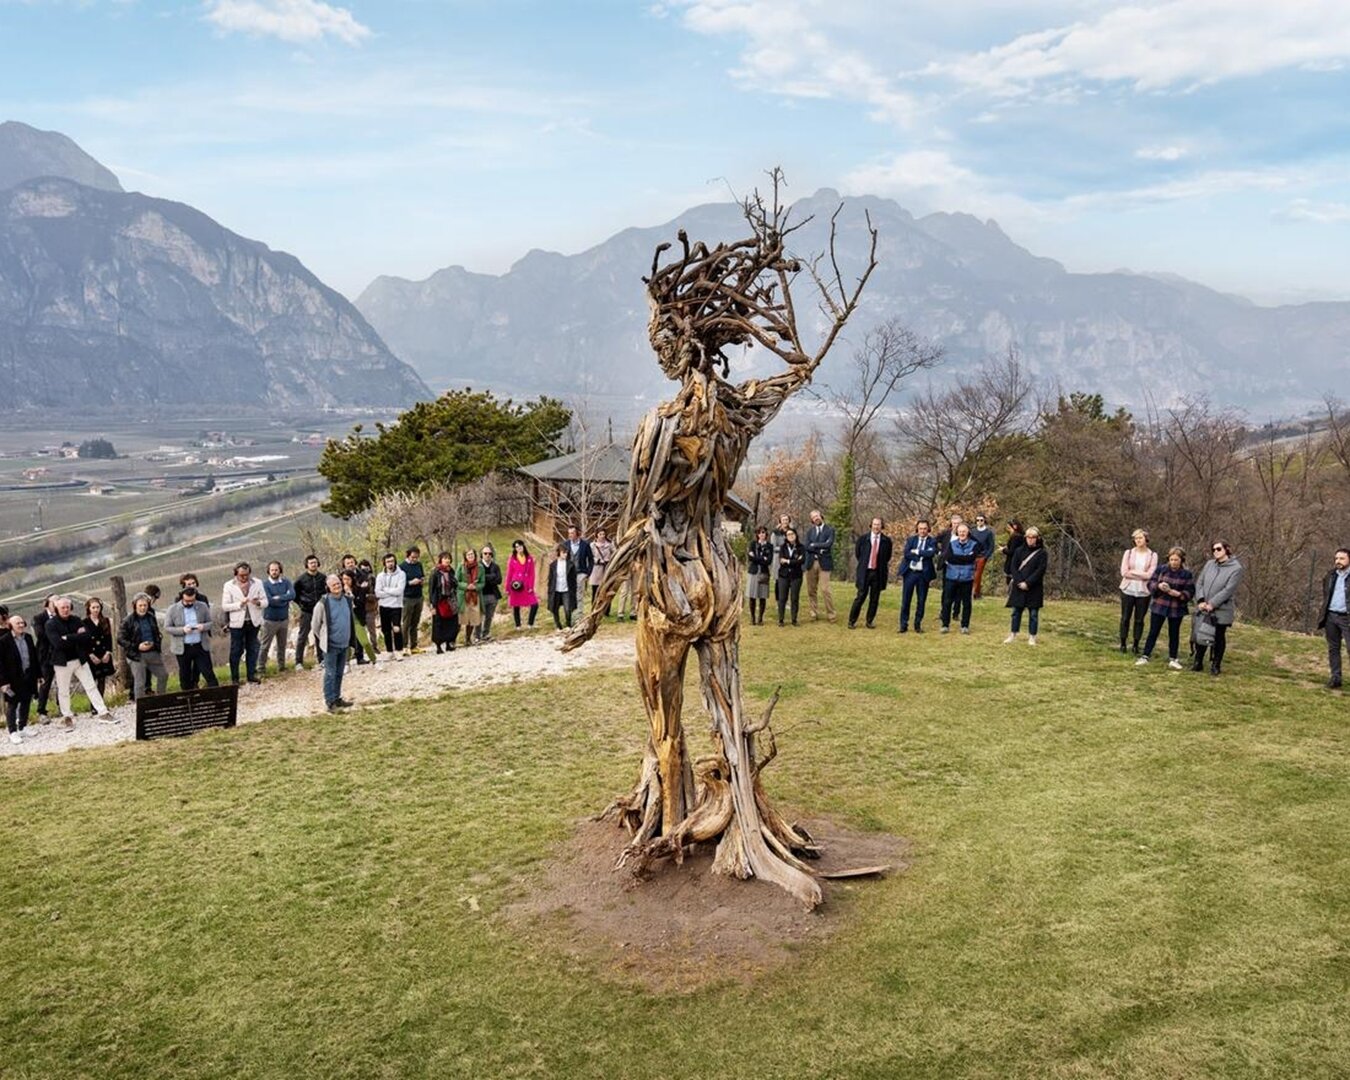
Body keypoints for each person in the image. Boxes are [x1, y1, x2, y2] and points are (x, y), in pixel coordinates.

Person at [45, 596, 113, 725]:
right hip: (62, 662)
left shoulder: (76, 620)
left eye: (67, 607)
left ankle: (103, 712)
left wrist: (68, 637)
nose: (65, 610)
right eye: (62, 608)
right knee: (64, 691)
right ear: (57, 609)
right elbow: (57, 643)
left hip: (79, 659)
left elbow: (87, 636)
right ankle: (67, 717)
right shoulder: (50, 624)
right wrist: (77, 637)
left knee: (91, 686)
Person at [1192, 539, 1246, 676]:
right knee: (1201, 633)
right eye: (1213, 549)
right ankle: (1198, 661)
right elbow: (1200, 583)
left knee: (1218, 636)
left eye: (1218, 549)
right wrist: (1201, 600)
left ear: (1226, 549)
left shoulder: (1236, 568)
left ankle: (1216, 664)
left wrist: (1213, 604)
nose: (1215, 552)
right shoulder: (1209, 564)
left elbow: (1228, 590)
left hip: (1222, 610)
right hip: (1204, 607)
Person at [1136, 546, 1195, 669]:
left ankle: (1173, 658)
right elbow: (1150, 583)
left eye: (1176, 560)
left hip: (1176, 607)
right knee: (1153, 631)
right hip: (1160, 604)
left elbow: (1190, 591)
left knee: (1174, 633)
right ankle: (1145, 655)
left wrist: (1179, 594)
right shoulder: (1161, 569)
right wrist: (1158, 586)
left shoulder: (1186, 574)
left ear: (1181, 560)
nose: (1173, 562)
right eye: (1171, 559)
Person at [310, 574, 355, 713]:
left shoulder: (347, 600)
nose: (337, 586)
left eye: (338, 583)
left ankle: (337, 698)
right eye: (333, 585)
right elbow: (315, 625)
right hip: (330, 646)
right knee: (330, 674)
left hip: (344, 643)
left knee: (339, 673)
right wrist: (324, 639)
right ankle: (330, 702)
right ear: (328, 587)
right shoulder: (322, 603)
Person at [165, 587, 219, 690]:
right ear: (182, 598)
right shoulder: (172, 609)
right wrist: (182, 630)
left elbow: (210, 623)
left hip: (200, 646)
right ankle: (187, 695)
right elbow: (167, 628)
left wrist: (203, 627)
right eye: (187, 601)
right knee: (185, 674)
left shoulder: (202, 606)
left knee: (208, 672)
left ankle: (216, 693)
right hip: (183, 648)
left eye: (192, 600)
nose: (190, 603)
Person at [221, 561, 265, 685]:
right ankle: (235, 678)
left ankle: (251, 675)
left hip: (253, 621)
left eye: (247, 575)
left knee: (252, 649)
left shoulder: (257, 583)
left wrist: (258, 603)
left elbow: (265, 601)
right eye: (241, 575)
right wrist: (240, 604)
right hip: (237, 623)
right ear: (236, 574)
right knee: (236, 651)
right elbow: (225, 606)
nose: (244, 577)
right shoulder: (229, 585)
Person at [118, 592, 168, 698]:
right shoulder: (127, 620)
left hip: (153, 652)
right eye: (140, 605)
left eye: (145, 605)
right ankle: (140, 704)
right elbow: (120, 639)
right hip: (136, 655)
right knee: (140, 682)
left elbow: (156, 633)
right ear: (135, 605)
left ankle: (162, 698)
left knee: (163, 675)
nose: (143, 608)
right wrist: (137, 646)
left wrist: (156, 643)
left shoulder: (151, 617)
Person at [1004, 527, 1048, 644]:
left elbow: (1040, 570)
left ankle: (1032, 637)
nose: (1030, 539)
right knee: (1015, 612)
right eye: (1028, 537)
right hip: (1019, 586)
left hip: (1034, 587)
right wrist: (1019, 582)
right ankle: (1013, 634)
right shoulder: (1019, 551)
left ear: (1038, 538)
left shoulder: (1042, 553)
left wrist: (1028, 583)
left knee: (1033, 614)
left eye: (1033, 537)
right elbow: (1013, 567)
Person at [2, 614, 40, 743]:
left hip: (28, 675)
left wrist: (39, 675)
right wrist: (3, 682)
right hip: (12, 678)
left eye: (22, 623)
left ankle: (22, 727)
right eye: (17, 623)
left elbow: (34, 657)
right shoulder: (4, 641)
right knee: (12, 704)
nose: (21, 625)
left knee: (26, 701)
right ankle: (12, 732)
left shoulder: (28, 637)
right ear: (10, 625)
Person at [849, 517, 893, 629]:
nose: (876, 527)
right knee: (860, 597)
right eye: (874, 524)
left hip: (878, 573)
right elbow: (858, 554)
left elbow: (887, 557)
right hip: (865, 572)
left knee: (874, 599)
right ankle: (852, 621)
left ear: (881, 526)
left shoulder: (886, 541)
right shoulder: (863, 539)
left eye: (878, 524)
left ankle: (869, 621)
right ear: (871, 525)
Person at [1118, 529, 1157, 654]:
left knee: (1139, 619)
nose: (1138, 540)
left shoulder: (1152, 555)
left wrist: (1133, 573)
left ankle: (1136, 644)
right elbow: (1124, 572)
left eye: (1140, 538)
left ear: (1146, 539)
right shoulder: (1128, 553)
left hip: (1143, 592)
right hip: (1128, 589)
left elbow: (1150, 575)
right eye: (1136, 538)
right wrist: (1141, 574)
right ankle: (1123, 643)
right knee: (1125, 618)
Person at [1316, 547, 1350, 689]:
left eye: (1342, 558)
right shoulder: (1330, 575)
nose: (1338, 561)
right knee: (1333, 648)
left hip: (1346, 618)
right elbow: (1326, 594)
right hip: (1331, 615)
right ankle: (1335, 678)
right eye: (1336, 558)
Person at [898, 519, 938, 633]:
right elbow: (906, 553)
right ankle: (903, 625)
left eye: (925, 529)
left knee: (921, 601)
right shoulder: (911, 540)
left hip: (923, 574)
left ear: (928, 529)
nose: (922, 531)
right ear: (917, 529)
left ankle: (917, 624)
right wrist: (920, 555)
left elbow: (931, 553)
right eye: (920, 528)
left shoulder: (932, 541)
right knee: (906, 600)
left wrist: (917, 551)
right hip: (910, 573)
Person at [940, 522, 978, 634]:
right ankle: (945, 625)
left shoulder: (974, 544)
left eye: (964, 531)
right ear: (957, 532)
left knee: (966, 603)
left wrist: (959, 558)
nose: (962, 533)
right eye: (960, 531)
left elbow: (971, 558)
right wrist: (965, 558)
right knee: (947, 601)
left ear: (968, 532)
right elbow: (949, 558)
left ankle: (965, 625)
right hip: (951, 576)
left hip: (967, 578)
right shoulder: (951, 544)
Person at [259, 560, 295, 674]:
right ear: (268, 571)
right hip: (270, 620)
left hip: (284, 619)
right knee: (265, 646)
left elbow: (292, 595)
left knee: (282, 645)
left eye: (276, 570)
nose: (274, 572)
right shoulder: (264, 585)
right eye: (272, 570)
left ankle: (281, 666)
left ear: (280, 570)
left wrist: (278, 598)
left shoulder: (286, 582)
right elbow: (269, 601)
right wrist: (284, 598)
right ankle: (261, 668)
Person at [293, 555, 326, 670]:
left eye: (315, 562)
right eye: (311, 563)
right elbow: (294, 594)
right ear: (307, 565)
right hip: (306, 611)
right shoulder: (301, 579)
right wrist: (301, 604)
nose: (313, 565)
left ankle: (322, 659)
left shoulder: (323, 578)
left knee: (319, 635)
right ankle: (298, 662)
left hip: (320, 611)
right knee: (303, 636)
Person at [81, 597, 116, 705]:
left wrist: (108, 653)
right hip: (91, 654)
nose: (96, 610)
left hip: (103, 653)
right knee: (92, 681)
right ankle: (93, 705)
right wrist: (90, 654)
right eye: (93, 607)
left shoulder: (105, 621)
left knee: (102, 680)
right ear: (89, 609)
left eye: (98, 607)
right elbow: (84, 640)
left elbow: (108, 638)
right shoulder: (84, 622)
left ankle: (100, 704)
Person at [803, 509, 836, 622]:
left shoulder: (830, 530)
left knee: (825, 589)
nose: (816, 518)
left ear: (821, 516)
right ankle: (813, 612)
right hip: (811, 563)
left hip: (825, 564)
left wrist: (814, 545)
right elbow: (807, 546)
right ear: (812, 520)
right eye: (813, 517)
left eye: (817, 516)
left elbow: (828, 544)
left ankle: (831, 614)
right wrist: (820, 548)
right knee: (811, 590)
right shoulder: (810, 532)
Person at [374, 553, 407, 658]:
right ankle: (389, 651)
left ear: (395, 562)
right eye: (388, 562)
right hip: (383, 606)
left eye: (392, 561)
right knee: (386, 630)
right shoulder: (380, 576)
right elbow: (377, 593)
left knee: (396, 628)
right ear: (384, 563)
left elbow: (399, 591)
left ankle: (399, 650)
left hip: (396, 605)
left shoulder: (401, 574)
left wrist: (385, 590)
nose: (390, 564)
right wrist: (391, 592)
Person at [339, 570, 375, 666]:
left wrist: (351, 594)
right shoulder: (339, 592)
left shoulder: (360, 590)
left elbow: (361, 604)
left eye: (348, 579)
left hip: (357, 616)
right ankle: (346, 661)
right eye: (344, 579)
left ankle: (365, 657)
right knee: (346, 639)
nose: (346, 581)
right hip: (344, 617)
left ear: (353, 579)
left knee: (363, 640)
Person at [428, 551, 460, 653]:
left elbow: (455, 584)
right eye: (445, 558)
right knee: (439, 623)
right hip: (439, 600)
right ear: (441, 560)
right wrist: (432, 604)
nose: (447, 560)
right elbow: (431, 589)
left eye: (449, 558)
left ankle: (449, 643)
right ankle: (438, 645)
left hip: (450, 600)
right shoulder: (435, 572)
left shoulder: (451, 571)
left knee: (452, 622)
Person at [33, 594, 58, 722]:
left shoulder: (61, 616)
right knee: (45, 684)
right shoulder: (39, 618)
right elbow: (40, 635)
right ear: (47, 603)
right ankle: (41, 711)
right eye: (55, 601)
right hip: (46, 656)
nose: (57, 603)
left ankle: (63, 708)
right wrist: (57, 636)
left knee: (62, 683)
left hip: (60, 654)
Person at [506, 539, 539, 629]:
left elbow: (532, 574)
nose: (519, 548)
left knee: (534, 604)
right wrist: (507, 588)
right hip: (516, 584)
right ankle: (518, 625)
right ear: (515, 549)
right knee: (516, 605)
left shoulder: (529, 558)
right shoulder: (512, 559)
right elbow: (509, 574)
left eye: (520, 546)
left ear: (523, 546)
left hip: (526, 584)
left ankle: (530, 624)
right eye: (516, 547)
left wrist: (531, 586)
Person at [775, 526, 805, 626]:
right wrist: (794, 561)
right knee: (782, 598)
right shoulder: (783, 547)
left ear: (796, 535)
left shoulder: (801, 547)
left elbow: (801, 561)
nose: (790, 536)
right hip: (783, 575)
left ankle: (794, 620)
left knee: (794, 598)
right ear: (786, 537)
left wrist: (788, 561)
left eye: (792, 534)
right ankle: (781, 620)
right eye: (788, 535)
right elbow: (781, 560)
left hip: (796, 576)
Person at [399, 546, 427, 654]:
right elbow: (399, 583)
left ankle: (414, 645)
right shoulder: (402, 567)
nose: (415, 559)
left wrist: (422, 580)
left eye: (416, 557)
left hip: (418, 596)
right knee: (406, 623)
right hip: (407, 597)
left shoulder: (419, 565)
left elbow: (422, 575)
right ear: (408, 555)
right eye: (413, 557)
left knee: (415, 623)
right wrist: (410, 582)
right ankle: (404, 646)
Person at [745, 525, 773, 626]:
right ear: (757, 534)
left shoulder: (769, 546)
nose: (762, 534)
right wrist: (762, 558)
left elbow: (769, 561)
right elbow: (750, 558)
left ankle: (760, 618)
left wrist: (757, 557)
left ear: (766, 534)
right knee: (752, 596)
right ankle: (752, 618)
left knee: (762, 596)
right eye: (760, 532)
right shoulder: (753, 544)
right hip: (753, 572)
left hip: (764, 573)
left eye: (763, 532)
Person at [547, 543, 579, 630]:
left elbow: (573, 579)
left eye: (566, 553)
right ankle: (558, 625)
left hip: (567, 590)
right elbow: (550, 579)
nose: (565, 554)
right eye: (563, 553)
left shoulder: (570, 564)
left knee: (568, 608)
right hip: (556, 589)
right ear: (559, 553)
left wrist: (574, 589)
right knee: (555, 608)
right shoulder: (553, 565)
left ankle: (568, 624)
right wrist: (550, 590)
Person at [565, 525, 594, 617]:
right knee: (569, 594)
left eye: (572, 533)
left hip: (581, 572)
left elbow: (591, 559)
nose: (570, 535)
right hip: (568, 573)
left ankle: (579, 615)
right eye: (569, 533)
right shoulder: (565, 544)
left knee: (579, 594)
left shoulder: (585, 545)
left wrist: (588, 573)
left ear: (577, 533)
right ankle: (570, 614)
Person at [458, 547, 482, 648]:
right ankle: (452, 639)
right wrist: (466, 586)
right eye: (468, 555)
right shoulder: (461, 566)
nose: (470, 556)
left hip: (475, 596)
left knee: (472, 618)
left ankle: (468, 639)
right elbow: (456, 581)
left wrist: (475, 586)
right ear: (465, 556)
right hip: (464, 595)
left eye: (472, 554)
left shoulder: (480, 567)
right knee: (461, 618)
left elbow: (483, 582)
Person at [357, 558, 381, 659]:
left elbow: (378, 594)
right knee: (359, 631)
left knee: (372, 629)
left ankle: (374, 646)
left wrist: (368, 596)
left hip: (370, 607)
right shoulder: (356, 579)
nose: (364, 571)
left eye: (366, 568)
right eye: (362, 569)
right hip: (359, 608)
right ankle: (359, 651)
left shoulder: (373, 579)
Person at [478, 544, 502, 641]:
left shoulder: (495, 566)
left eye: (489, 553)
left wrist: (486, 578)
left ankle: (485, 634)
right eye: (485, 553)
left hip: (493, 595)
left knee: (489, 617)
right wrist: (492, 576)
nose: (487, 555)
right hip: (480, 595)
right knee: (478, 617)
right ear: (481, 555)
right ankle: (477, 636)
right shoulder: (478, 566)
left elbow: (499, 580)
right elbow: (478, 580)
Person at [589, 527, 615, 613]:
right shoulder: (592, 545)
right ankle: (594, 608)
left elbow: (615, 553)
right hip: (596, 569)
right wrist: (597, 560)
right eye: (600, 534)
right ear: (596, 535)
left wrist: (609, 560)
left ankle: (606, 610)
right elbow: (590, 557)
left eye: (603, 534)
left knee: (607, 589)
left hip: (607, 568)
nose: (602, 536)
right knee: (595, 590)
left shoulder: (610, 544)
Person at [970, 514, 996, 599]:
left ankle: (974, 592)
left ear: (984, 521)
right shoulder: (973, 531)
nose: (979, 522)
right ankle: (976, 593)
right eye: (977, 520)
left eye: (981, 520)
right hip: (973, 555)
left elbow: (991, 546)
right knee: (971, 574)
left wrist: (986, 556)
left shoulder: (988, 532)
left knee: (978, 575)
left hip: (982, 556)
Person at [1001, 520, 1026, 588]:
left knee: (1011, 581)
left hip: (1013, 562)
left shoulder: (1016, 537)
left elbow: (1011, 551)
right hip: (1017, 561)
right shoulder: (1021, 536)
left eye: (1009, 528)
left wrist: (1003, 550)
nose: (1008, 530)